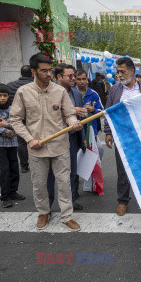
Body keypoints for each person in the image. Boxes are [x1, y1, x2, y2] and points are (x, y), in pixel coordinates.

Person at [10, 54, 82, 231]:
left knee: (64, 182)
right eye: (44, 70)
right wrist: (29, 139)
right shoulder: (24, 92)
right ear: (33, 71)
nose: (48, 73)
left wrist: (73, 122)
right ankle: (43, 213)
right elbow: (16, 119)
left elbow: (69, 114)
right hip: (37, 147)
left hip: (60, 145)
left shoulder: (60, 91)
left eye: (49, 70)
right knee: (39, 184)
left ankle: (66, 216)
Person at [104, 57, 141, 216]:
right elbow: (108, 112)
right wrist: (108, 132)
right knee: (123, 170)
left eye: (122, 71)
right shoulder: (115, 90)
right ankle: (122, 201)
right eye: (118, 72)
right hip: (121, 137)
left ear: (132, 71)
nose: (119, 75)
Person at [47, 64, 87, 210]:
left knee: (71, 171)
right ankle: (47, 207)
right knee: (51, 175)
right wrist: (70, 111)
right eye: (69, 76)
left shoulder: (76, 93)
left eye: (73, 75)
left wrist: (82, 136)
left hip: (72, 137)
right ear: (58, 77)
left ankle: (70, 200)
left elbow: (79, 119)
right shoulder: (49, 92)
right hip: (54, 138)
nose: (73, 78)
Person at [0, 84, 25, 208]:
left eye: (5, 95)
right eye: (0, 95)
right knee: (5, 168)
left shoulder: (11, 107)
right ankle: (5, 197)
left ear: (8, 96)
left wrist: (5, 125)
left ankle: (13, 191)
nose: (2, 98)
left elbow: (17, 122)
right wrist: (5, 130)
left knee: (14, 167)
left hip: (12, 141)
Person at [76, 70, 104, 193]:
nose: (82, 82)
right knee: (75, 157)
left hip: (91, 131)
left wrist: (93, 110)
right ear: (75, 80)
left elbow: (102, 111)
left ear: (87, 80)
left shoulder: (93, 94)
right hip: (75, 131)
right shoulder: (71, 93)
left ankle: (91, 183)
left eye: (84, 79)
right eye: (79, 79)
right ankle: (74, 185)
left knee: (98, 151)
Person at [7, 65, 34, 173]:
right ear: (32, 73)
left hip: (18, 116)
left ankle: (24, 166)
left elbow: (8, 102)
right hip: (32, 117)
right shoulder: (32, 86)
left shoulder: (10, 85)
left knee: (22, 142)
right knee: (34, 139)